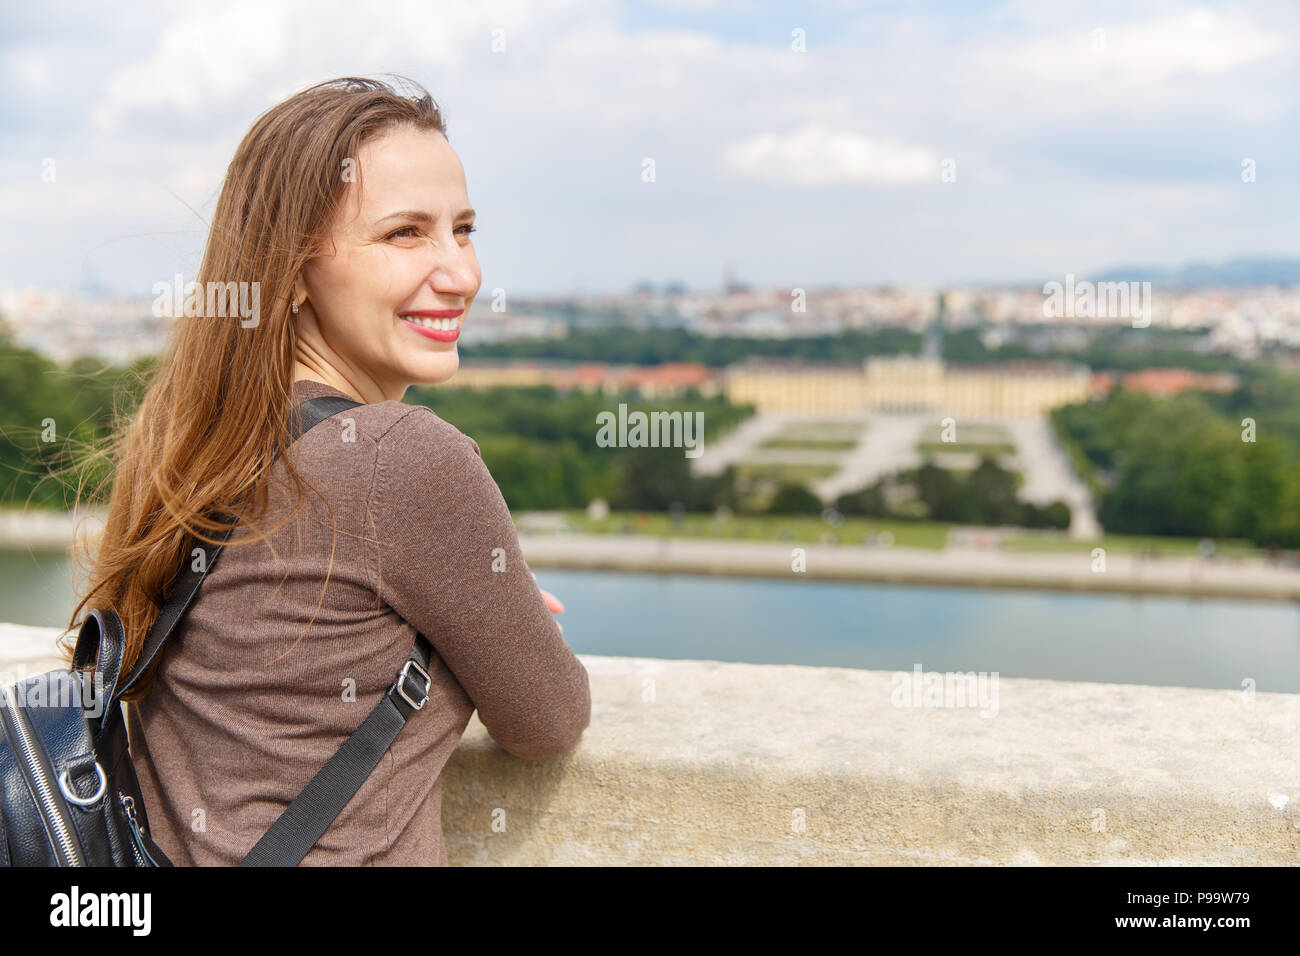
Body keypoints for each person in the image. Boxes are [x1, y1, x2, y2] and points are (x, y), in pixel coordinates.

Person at [66, 76, 591, 866]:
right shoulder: (404, 457)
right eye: (405, 235)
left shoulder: (190, 439)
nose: (462, 273)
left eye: (464, 228)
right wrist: (482, 616)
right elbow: (549, 723)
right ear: (292, 271)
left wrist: (465, 596)